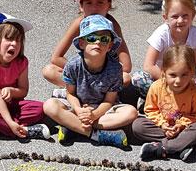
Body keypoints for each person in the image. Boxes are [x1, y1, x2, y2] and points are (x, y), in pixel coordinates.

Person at [42, 15, 137, 147]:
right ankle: (96, 135)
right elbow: (70, 94)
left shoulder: (115, 68)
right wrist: (79, 110)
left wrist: (93, 115)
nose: (98, 42)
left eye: (104, 39)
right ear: (82, 43)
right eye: (92, 38)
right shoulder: (73, 65)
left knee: (131, 112)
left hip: (101, 108)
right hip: (78, 105)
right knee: (49, 105)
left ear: (110, 46)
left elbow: (109, 100)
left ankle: (73, 126)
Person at [42, 0, 132, 92]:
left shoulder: (112, 25)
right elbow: (56, 58)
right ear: (81, 5)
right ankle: (83, 92)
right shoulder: (78, 23)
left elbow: (126, 66)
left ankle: (84, 94)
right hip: (82, 75)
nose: (94, 8)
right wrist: (81, 70)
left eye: (100, 2)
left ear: (109, 5)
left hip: (105, 78)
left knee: (126, 78)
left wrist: (106, 72)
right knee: (49, 70)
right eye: (88, 2)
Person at [131, 0, 196, 99]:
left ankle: (177, 98)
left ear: (193, 15)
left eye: (185, 16)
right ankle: (160, 98)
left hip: (183, 78)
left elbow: (195, 56)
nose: (180, 20)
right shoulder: (161, 34)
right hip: (162, 78)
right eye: (175, 16)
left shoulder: (195, 33)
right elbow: (148, 65)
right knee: (138, 78)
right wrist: (168, 80)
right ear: (165, 17)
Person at [0, 13, 50, 140]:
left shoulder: (21, 62)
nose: (14, 44)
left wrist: (12, 91)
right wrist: (11, 123)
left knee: (40, 109)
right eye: (9, 39)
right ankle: (24, 130)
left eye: (19, 40)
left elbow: (23, 91)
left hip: (14, 105)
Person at [133, 45, 196, 161]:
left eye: (184, 75)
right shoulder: (156, 86)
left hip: (184, 129)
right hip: (162, 128)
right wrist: (163, 125)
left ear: (192, 72)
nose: (178, 81)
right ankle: (180, 146)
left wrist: (181, 125)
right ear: (164, 72)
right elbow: (150, 110)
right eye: (173, 75)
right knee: (138, 126)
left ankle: (161, 147)